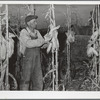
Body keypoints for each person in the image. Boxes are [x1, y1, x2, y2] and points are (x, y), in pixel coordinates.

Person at [19, 14, 53, 90]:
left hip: (37, 60)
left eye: (36, 22)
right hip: (27, 59)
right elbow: (29, 43)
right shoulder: (24, 32)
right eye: (34, 22)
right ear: (28, 23)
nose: (36, 23)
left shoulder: (37, 32)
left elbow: (41, 44)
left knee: (38, 80)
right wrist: (43, 40)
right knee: (26, 80)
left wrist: (48, 43)